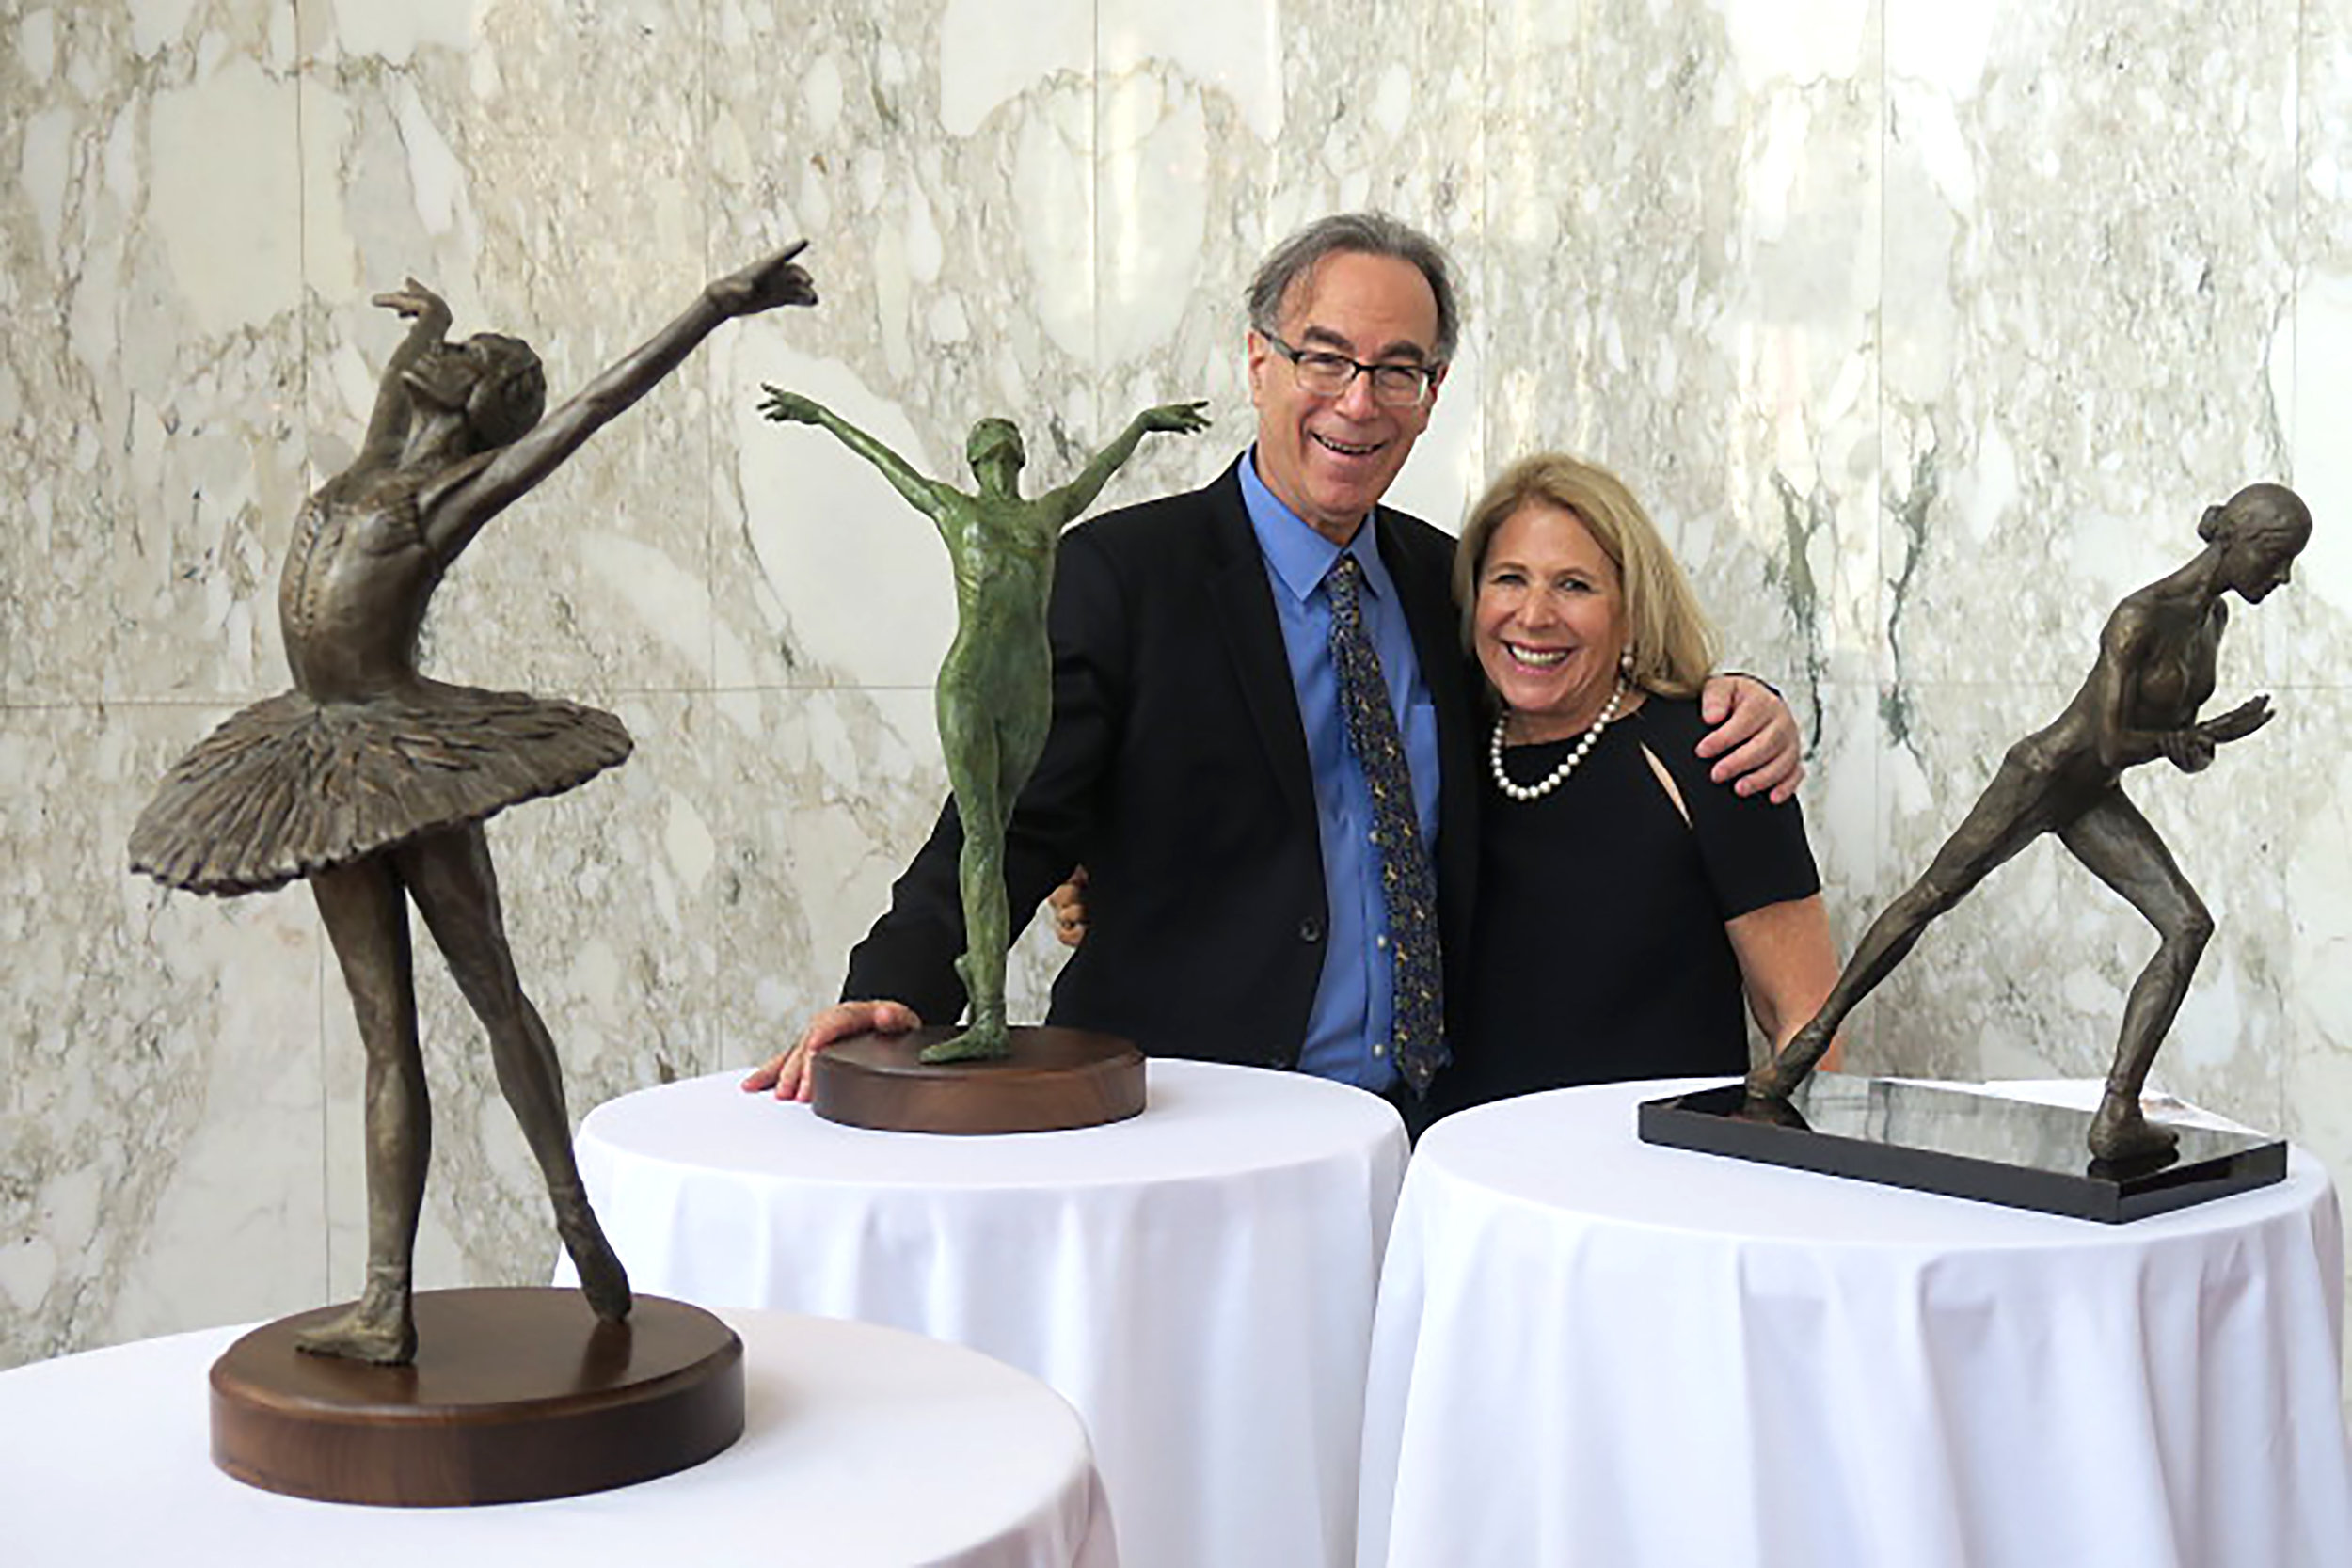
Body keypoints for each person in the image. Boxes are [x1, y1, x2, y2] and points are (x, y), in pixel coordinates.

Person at [743, 214, 1799, 1119]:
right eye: (1325, 357)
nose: (1358, 400)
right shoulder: (1122, 575)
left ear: (1431, 394)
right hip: (1196, 1123)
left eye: (1398, 369)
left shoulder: (1452, 586)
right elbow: (1006, 820)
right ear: (1258, 362)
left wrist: (1738, 700)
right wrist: (890, 986)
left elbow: (1565, 697)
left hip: (1420, 1127)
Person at [130, 247, 818, 1363]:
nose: (438, 359)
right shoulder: (370, 468)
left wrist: (708, 307)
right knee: (385, 1038)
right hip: (322, 760)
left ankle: (575, 1216)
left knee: (492, 988)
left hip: (409, 757)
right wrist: (431, 319)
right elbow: (402, 377)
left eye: (462, 357)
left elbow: (595, 406)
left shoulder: (444, 497)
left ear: (477, 402)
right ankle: (385, 1301)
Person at [1751, 483, 2310, 1163]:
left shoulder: (2212, 622)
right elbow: (2107, 741)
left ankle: (2117, 1112)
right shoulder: (2138, 617)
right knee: (1932, 896)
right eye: (2277, 556)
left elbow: (2165, 740)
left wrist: (2202, 742)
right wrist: (2196, 736)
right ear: (2237, 540)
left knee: (2188, 925)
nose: (2280, 576)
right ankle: (1804, 1044)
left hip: (2092, 795)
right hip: (2043, 775)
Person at [754, 393, 1211, 1061]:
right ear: (972, 458)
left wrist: (1142, 425)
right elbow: (886, 463)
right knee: (984, 840)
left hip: (1028, 687)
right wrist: (821, 416)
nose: (996, 447)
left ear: (1019, 455)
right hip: (970, 682)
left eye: (1004, 439)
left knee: (1000, 833)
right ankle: (987, 1008)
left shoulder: (1047, 514)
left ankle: (985, 988)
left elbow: (1100, 473)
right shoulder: (954, 508)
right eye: (985, 439)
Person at [1428, 453, 1839, 1115]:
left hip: (1661, 1186)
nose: (1534, 614)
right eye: (1509, 578)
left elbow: (1806, 1016)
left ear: (1630, 607)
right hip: (1476, 1179)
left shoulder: (1715, 755)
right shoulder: (1445, 747)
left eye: (1574, 585)